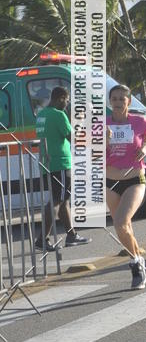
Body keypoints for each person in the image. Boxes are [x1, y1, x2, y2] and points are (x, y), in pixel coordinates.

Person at [106, 84, 146, 289]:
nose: (118, 102)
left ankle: (136, 266)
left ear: (128, 101)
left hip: (134, 178)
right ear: (110, 102)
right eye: (114, 99)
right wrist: (103, 141)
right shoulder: (102, 124)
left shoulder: (139, 122)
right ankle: (138, 261)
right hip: (109, 181)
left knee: (120, 222)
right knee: (124, 228)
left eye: (122, 99)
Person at [35, 86, 90, 251]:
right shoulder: (58, 115)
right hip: (60, 162)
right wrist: (80, 122)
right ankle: (42, 239)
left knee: (63, 199)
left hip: (47, 162)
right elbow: (73, 138)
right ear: (60, 98)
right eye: (66, 100)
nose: (67, 103)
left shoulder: (41, 114)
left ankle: (71, 235)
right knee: (56, 200)